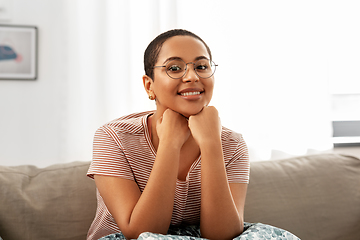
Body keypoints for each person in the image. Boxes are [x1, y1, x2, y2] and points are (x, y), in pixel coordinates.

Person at [86, 29, 300, 240]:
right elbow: (140, 233)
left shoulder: (233, 144)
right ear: (149, 85)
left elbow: (222, 235)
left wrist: (211, 145)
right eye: (175, 68)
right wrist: (170, 144)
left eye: (201, 66)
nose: (192, 76)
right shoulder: (113, 138)